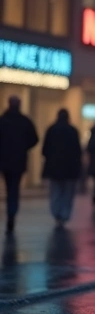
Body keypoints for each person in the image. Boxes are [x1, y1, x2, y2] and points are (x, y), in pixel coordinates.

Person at [0, 96, 40, 234]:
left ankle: (10, 213)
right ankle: (12, 213)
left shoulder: (3, 121)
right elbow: (34, 139)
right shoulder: (25, 121)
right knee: (14, 189)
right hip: (19, 160)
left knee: (9, 186)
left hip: (4, 161)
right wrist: (23, 147)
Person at [42, 110, 82, 228]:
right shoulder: (73, 131)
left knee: (56, 191)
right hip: (70, 168)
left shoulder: (51, 130)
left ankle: (56, 213)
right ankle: (64, 214)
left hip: (54, 167)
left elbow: (45, 150)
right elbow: (77, 151)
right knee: (68, 193)